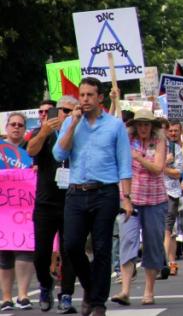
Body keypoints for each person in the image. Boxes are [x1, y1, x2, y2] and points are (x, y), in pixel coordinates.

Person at [54, 78, 133, 316]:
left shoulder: (114, 125)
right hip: (77, 192)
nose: (85, 99)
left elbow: (125, 164)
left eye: (90, 95)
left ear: (100, 98)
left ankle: (98, 302)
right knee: (72, 245)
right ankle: (90, 286)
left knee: (102, 248)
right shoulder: (71, 121)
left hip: (105, 192)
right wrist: (72, 123)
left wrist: (126, 197)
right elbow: (59, 153)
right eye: (82, 95)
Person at [27, 96, 79, 313]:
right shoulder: (45, 134)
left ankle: (66, 293)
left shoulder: (79, 134)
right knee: (41, 253)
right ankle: (45, 285)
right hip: (46, 203)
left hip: (72, 202)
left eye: (68, 110)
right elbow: (30, 150)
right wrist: (45, 132)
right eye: (60, 111)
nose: (63, 115)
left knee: (70, 251)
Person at [111, 110, 168, 307]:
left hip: (155, 200)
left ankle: (149, 290)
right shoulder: (126, 139)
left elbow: (158, 168)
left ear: (152, 126)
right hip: (130, 199)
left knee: (153, 245)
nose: (143, 128)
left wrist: (138, 157)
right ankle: (125, 290)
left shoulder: (159, 141)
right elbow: (112, 126)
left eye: (147, 124)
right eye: (140, 124)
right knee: (127, 241)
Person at [1, 113, 36, 311]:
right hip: (3, 211)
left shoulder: (30, 150)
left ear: (25, 129)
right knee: (4, 254)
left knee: (25, 251)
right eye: (13, 124)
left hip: (24, 210)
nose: (16, 128)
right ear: (7, 127)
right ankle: (6, 297)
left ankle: (23, 295)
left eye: (20, 125)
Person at [161, 122, 183, 278]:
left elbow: (177, 173)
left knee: (168, 229)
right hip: (151, 193)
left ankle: (165, 264)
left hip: (171, 193)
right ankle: (169, 262)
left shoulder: (175, 149)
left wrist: (161, 167)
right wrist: (163, 163)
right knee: (162, 231)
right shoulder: (148, 147)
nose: (169, 133)